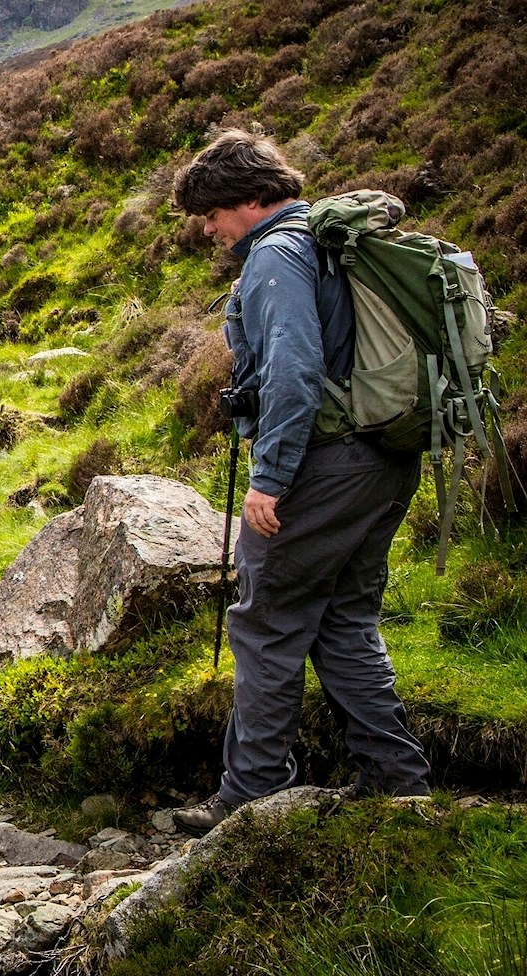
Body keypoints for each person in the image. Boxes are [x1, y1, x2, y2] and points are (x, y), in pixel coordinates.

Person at [169, 130, 430, 836]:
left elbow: (292, 372)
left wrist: (271, 479)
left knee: (266, 622)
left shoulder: (278, 255)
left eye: (212, 213)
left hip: (326, 463)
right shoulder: (324, 242)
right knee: (345, 620)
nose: (208, 228)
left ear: (249, 198)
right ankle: (397, 782)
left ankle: (249, 794)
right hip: (385, 457)